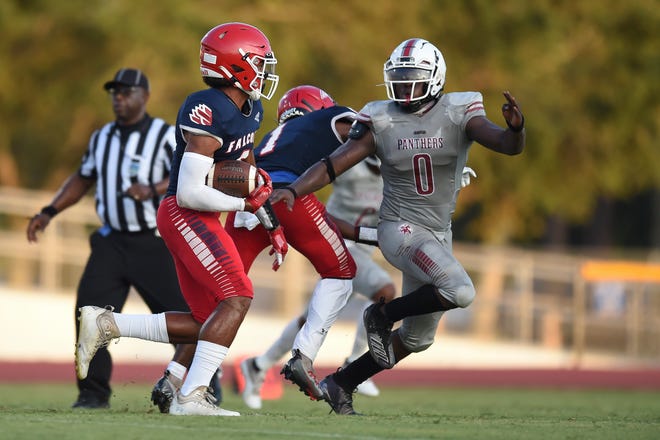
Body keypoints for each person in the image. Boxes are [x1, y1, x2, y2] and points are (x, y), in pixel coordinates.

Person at [269, 37, 526, 415]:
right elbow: (334, 164)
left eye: (413, 78)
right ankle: (381, 314)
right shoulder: (381, 118)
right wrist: (294, 189)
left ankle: (341, 383)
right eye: (399, 77)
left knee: (417, 339)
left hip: (437, 233)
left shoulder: (460, 110)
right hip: (400, 228)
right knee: (461, 290)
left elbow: (505, 145)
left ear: (435, 79)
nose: (404, 85)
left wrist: (516, 131)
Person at [74, 22, 286, 417]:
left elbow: (245, 168)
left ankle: (107, 325)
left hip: (205, 215)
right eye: (259, 62)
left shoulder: (251, 107)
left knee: (205, 318)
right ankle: (191, 396)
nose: (266, 70)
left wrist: (267, 218)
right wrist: (243, 208)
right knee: (237, 297)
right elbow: (188, 191)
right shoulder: (207, 106)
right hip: (185, 213)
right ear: (236, 65)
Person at [25, 67, 212, 409]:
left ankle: (201, 388)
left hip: (154, 243)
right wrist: (49, 212)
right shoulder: (102, 138)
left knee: (187, 317)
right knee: (88, 315)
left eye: (127, 93)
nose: (119, 99)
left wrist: (152, 189)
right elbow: (82, 178)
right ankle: (92, 395)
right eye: (115, 93)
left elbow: (189, 174)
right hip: (111, 243)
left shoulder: (165, 134)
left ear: (146, 97)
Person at [228, 85, 396, 409]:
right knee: (341, 274)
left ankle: (185, 377)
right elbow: (370, 127)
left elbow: (324, 215)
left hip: (249, 203)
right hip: (290, 198)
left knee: (225, 295)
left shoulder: (273, 140)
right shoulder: (330, 121)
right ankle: (309, 359)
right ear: (318, 108)